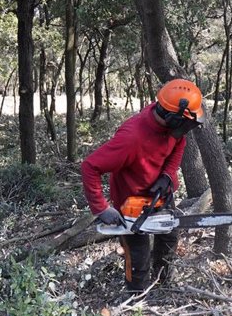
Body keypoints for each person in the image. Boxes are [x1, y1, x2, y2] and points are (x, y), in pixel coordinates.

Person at [81, 79, 205, 293]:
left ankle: (162, 284)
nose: (187, 129)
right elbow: (90, 167)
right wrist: (101, 207)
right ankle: (136, 297)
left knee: (169, 238)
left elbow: (178, 144)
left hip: (161, 193)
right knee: (138, 257)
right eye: (186, 123)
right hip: (132, 200)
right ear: (172, 117)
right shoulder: (132, 138)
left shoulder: (173, 125)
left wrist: (167, 174)